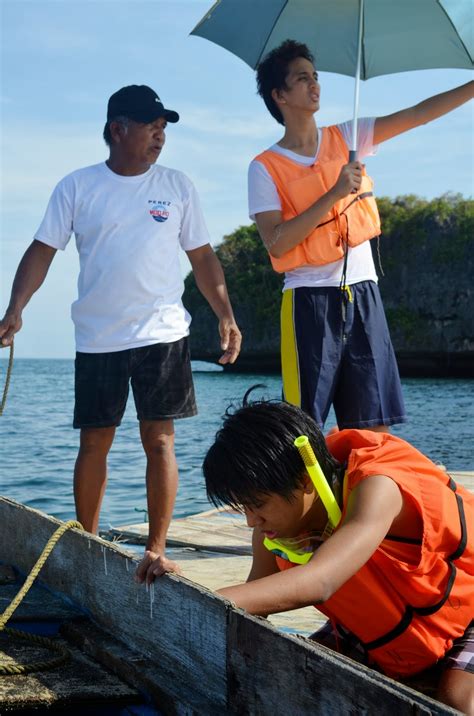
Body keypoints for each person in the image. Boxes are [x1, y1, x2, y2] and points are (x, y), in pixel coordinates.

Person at [0, 84, 242, 581]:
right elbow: (43, 250)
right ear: (117, 130)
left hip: (163, 333)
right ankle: (87, 542)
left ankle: (155, 549)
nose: (160, 135)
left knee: (161, 442)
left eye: (164, 128)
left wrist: (225, 313)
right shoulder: (77, 186)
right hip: (98, 337)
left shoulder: (177, 186)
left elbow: (201, 256)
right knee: (95, 443)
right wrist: (15, 309)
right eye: (151, 125)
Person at [249, 40, 474, 432]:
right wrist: (334, 193)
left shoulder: (350, 138)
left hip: (364, 293)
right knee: (304, 428)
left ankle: (364, 490)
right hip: (308, 301)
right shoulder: (264, 168)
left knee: (374, 427)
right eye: (303, 78)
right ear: (279, 95)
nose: (315, 85)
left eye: (316, 76)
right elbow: (277, 242)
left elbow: (418, 114)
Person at [202, 391, 474, 713]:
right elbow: (253, 605)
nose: (251, 521)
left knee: (457, 701)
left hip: (467, 615)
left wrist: (212, 598)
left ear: (304, 481)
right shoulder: (270, 530)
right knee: (298, 672)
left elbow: (321, 581)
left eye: (258, 505)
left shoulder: (379, 487)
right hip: (395, 634)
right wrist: (183, 591)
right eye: (243, 507)